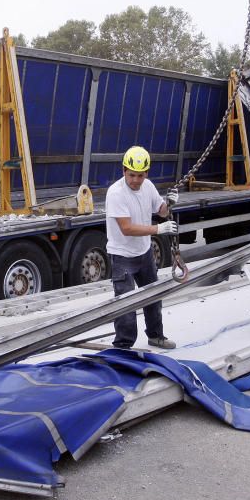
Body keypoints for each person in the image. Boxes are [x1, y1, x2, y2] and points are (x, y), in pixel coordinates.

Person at [104, 146, 179, 351]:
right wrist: (158, 229)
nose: (136, 180)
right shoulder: (116, 193)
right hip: (122, 256)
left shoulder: (148, 187)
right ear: (123, 171)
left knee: (153, 297)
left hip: (144, 253)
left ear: (146, 173)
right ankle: (123, 346)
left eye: (140, 175)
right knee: (126, 304)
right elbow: (126, 228)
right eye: (131, 175)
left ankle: (156, 336)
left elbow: (162, 212)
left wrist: (169, 203)